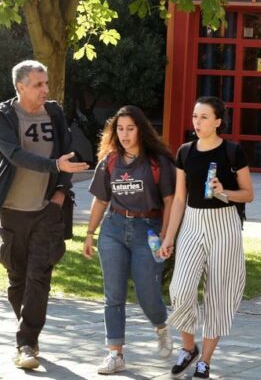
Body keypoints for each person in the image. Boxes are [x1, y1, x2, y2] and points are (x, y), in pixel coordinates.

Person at [0, 60, 89, 369]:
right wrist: (55, 166)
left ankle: (26, 342)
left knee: (39, 276)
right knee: (17, 279)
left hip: (47, 209)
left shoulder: (54, 113)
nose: (45, 89)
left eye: (46, 83)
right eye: (38, 84)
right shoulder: (4, 116)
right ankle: (29, 334)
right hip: (12, 210)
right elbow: (15, 155)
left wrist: (60, 192)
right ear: (20, 86)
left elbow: (67, 154)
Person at [160, 96, 254, 379]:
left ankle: (205, 361)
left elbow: (248, 194)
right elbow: (179, 199)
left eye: (203, 117)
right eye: (194, 116)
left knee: (219, 292)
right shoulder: (185, 152)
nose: (197, 122)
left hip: (224, 224)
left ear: (217, 122)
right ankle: (189, 348)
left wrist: (224, 192)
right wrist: (169, 238)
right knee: (180, 289)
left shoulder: (233, 152)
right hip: (192, 221)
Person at [82, 105, 176, 374]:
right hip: (113, 228)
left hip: (148, 230)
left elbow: (170, 201)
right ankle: (115, 354)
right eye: (120, 129)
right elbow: (101, 200)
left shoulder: (157, 162)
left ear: (140, 130)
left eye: (130, 129)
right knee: (113, 294)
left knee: (147, 292)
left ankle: (161, 325)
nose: (124, 134)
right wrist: (90, 233)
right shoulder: (110, 161)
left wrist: (166, 234)